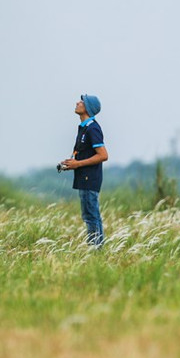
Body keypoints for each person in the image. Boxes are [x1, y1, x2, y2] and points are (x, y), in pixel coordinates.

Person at [61, 94, 108, 247]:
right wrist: (70, 163)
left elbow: (103, 155)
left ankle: (96, 249)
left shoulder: (93, 128)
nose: (77, 102)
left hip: (90, 178)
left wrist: (78, 164)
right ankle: (96, 248)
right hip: (83, 178)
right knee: (89, 215)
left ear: (87, 108)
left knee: (91, 216)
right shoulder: (84, 128)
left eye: (81, 102)